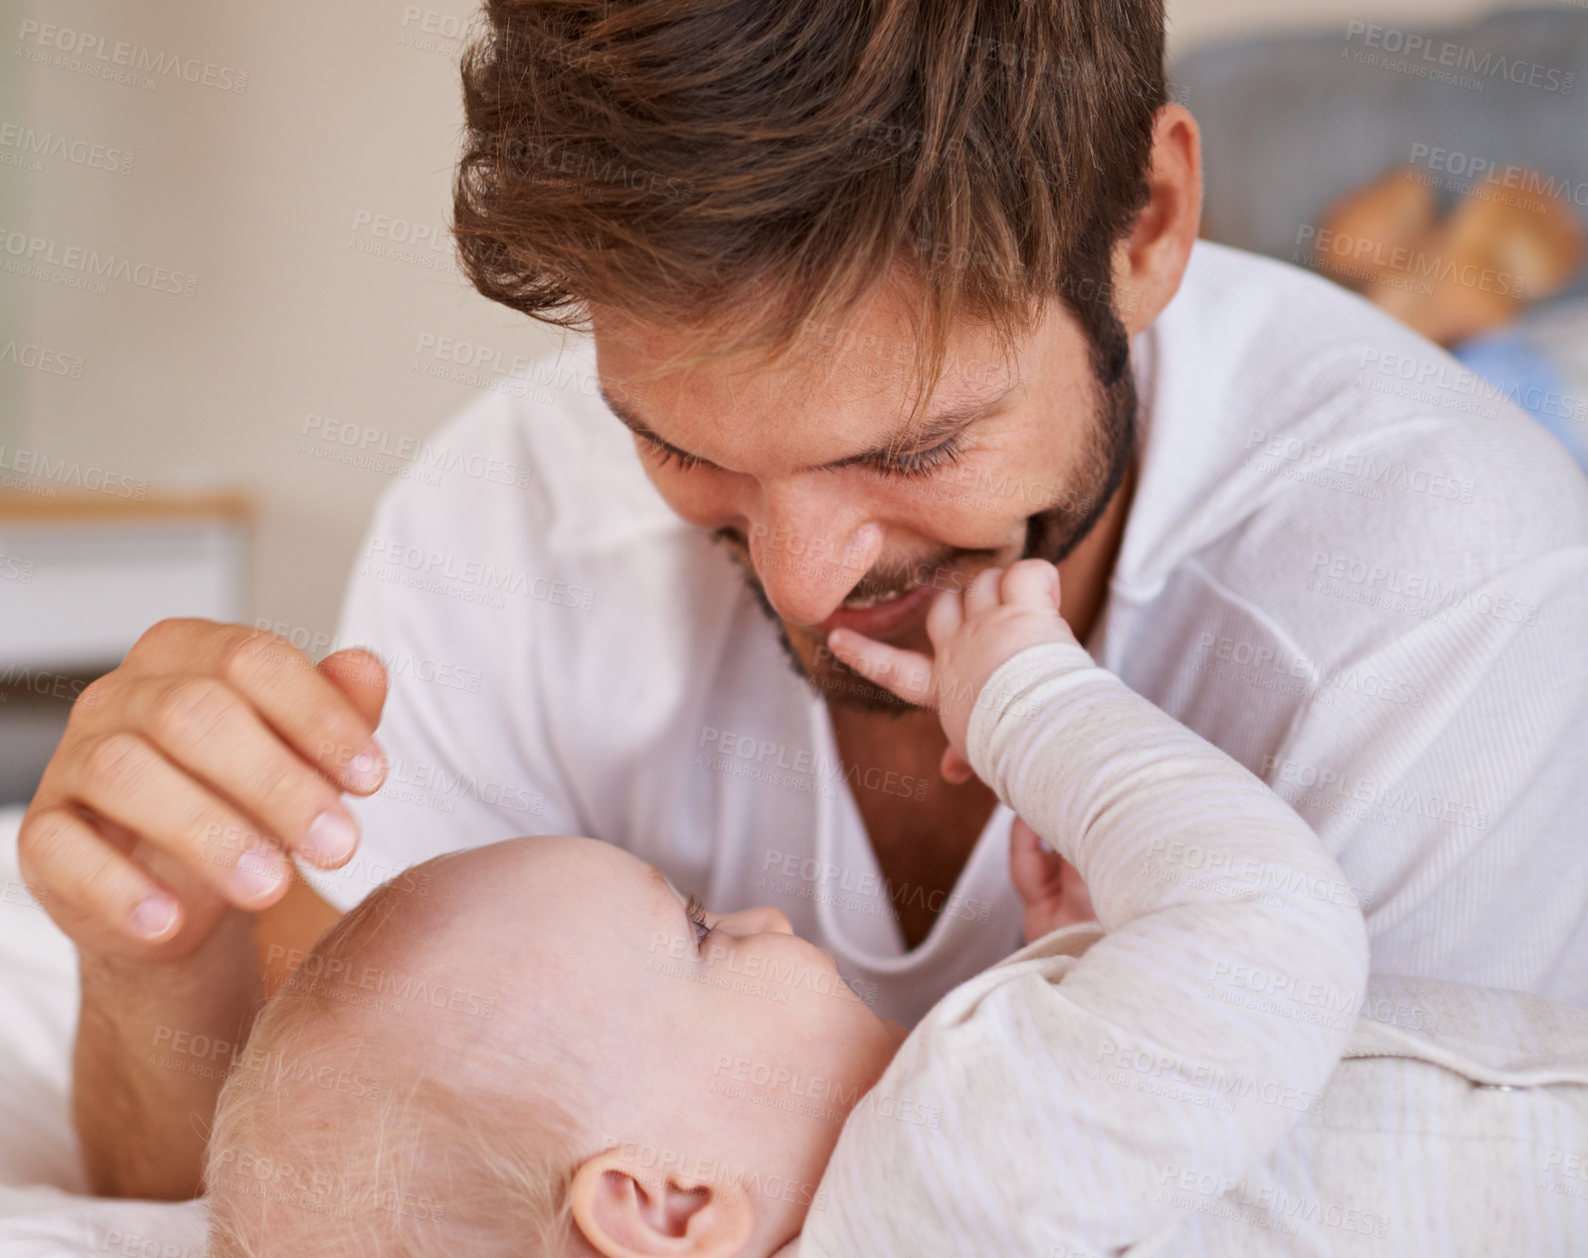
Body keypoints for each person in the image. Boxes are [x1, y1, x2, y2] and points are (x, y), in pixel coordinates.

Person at [18, 0, 1588, 1202]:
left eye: (914, 446)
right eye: (681, 445)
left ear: (1150, 228)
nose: (805, 580)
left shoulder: (1445, 592)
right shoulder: (509, 517)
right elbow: (305, 1195)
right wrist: (163, 950)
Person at [201, 562, 1588, 1257]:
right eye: (694, 930)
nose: (754, 911)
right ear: (670, 1206)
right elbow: (1280, 936)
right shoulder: (936, 1163)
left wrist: (1084, 965)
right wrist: (1031, 702)